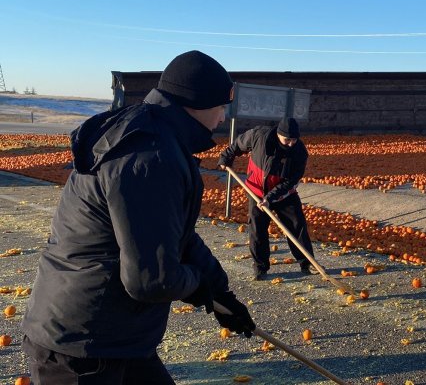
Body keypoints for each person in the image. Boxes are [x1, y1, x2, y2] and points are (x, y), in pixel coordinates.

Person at [21, 50, 256, 384]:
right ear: (197, 102)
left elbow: (177, 235)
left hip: (117, 338)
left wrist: (221, 294)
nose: (221, 119)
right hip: (82, 345)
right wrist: (200, 287)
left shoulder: (155, 137)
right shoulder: (151, 157)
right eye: (220, 107)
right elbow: (151, 279)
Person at [218, 117, 316, 280]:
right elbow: (238, 144)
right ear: (279, 134)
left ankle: (307, 262)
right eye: (287, 139)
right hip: (256, 190)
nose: (291, 143)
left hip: (284, 194)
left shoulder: (300, 152)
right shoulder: (258, 136)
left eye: (294, 139)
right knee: (257, 229)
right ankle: (260, 267)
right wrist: (226, 157)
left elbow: (290, 181)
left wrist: (270, 198)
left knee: (296, 225)